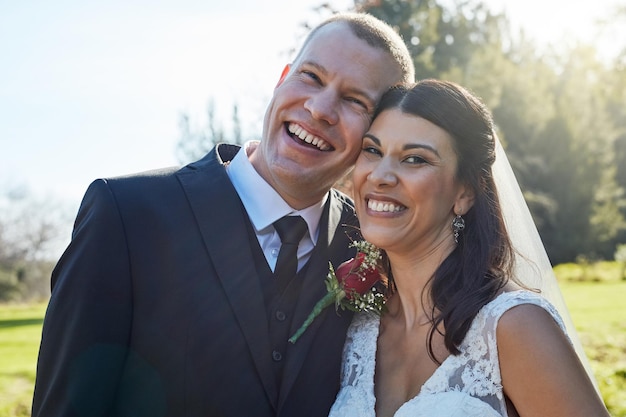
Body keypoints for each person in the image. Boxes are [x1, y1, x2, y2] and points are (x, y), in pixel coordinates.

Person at [31, 12, 415, 417]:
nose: (320, 109)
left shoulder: (374, 247)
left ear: (379, 133)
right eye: (311, 77)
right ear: (282, 77)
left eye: (355, 100)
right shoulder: (125, 216)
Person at [328, 79, 611, 417]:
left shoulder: (513, 326)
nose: (381, 175)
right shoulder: (360, 330)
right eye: (373, 151)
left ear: (465, 193)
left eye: (415, 159)